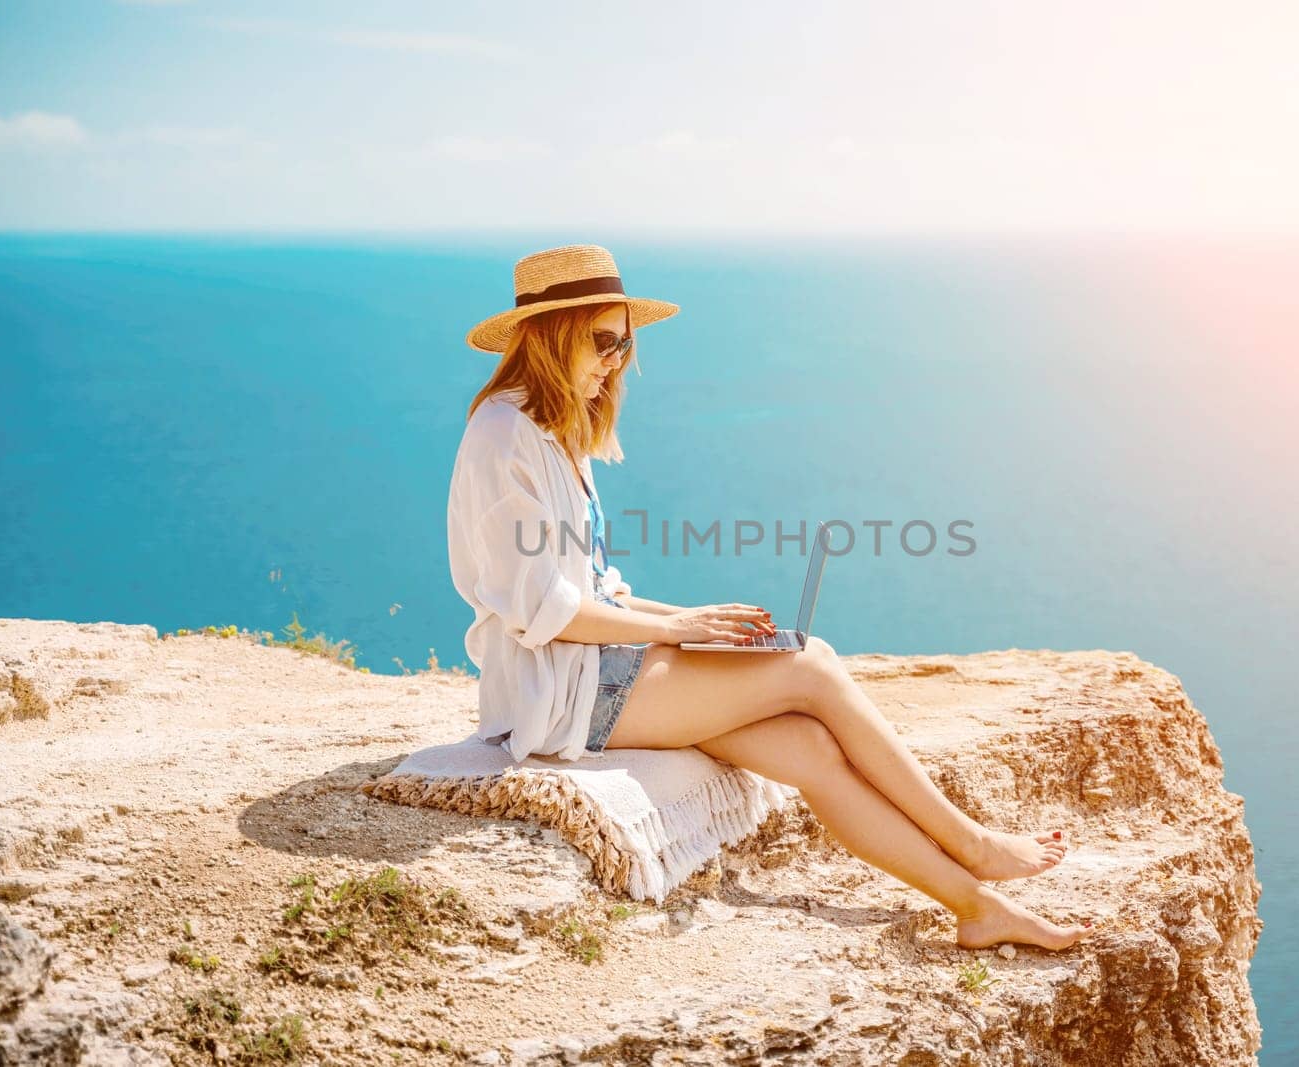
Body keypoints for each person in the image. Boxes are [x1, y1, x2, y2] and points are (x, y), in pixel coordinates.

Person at [451, 244, 1096, 951]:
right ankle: (971, 843)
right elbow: (542, 607)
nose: (616, 360)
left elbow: (598, 589)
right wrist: (678, 631)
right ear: (555, 333)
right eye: (604, 340)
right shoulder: (503, 434)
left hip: (596, 670)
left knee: (811, 747)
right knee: (811, 664)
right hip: (559, 691)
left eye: (624, 342)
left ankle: (975, 907)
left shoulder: (554, 430)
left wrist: (695, 623)